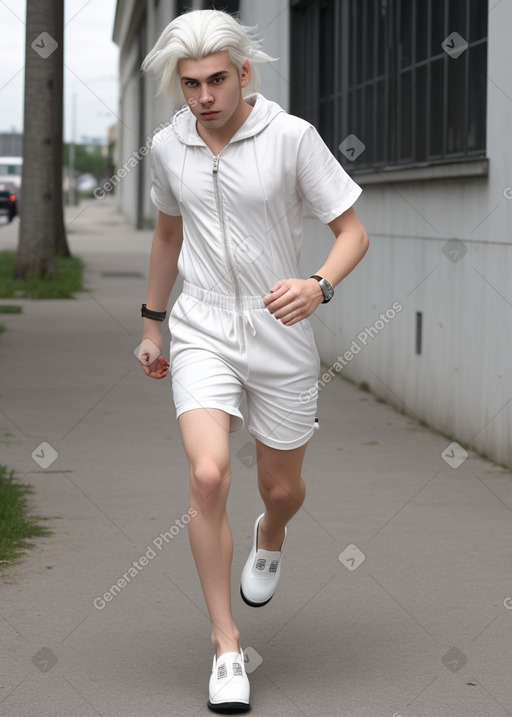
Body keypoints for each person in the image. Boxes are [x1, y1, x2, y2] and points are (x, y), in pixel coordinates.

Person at [138, 9, 369, 713]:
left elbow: (353, 230)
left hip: (280, 332)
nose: (204, 97)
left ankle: (271, 536)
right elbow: (169, 233)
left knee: (280, 489)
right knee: (208, 474)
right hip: (202, 324)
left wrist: (318, 284)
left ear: (244, 73)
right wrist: (153, 324)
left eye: (215, 80)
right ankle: (226, 645)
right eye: (189, 85)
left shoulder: (291, 137)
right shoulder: (168, 146)